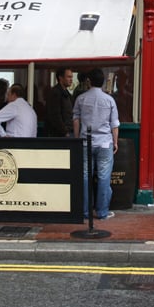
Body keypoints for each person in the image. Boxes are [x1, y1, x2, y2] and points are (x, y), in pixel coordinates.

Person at [73, 68, 119, 220]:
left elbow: (76, 120)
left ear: (89, 81)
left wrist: (77, 138)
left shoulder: (81, 99)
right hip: (105, 143)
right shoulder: (109, 100)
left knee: (85, 177)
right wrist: (115, 142)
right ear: (103, 82)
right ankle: (102, 212)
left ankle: (86, 212)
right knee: (104, 178)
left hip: (86, 142)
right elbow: (114, 124)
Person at [46, 68, 74, 137]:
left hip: (68, 131)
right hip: (59, 135)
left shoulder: (67, 93)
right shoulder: (55, 93)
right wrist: (65, 132)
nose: (71, 79)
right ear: (60, 78)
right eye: (69, 77)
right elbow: (55, 115)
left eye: (71, 77)